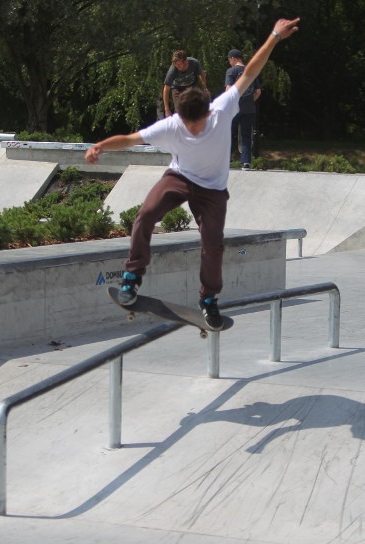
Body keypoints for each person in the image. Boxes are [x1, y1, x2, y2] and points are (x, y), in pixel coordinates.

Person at [85, 17, 301, 330]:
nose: (194, 130)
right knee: (145, 214)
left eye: (198, 125)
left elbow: (252, 69)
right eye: (189, 126)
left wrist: (273, 37)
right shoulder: (171, 126)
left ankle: (208, 300)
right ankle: (132, 279)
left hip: (213, 190)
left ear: (206, 113)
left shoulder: (223, 108)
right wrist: (100, 146)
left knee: (213, 244)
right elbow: (131, 139)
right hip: (179, 178)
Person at [225, 49, 261, 170]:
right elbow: (258, 91)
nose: (229, 62)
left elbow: (229, 89)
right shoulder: (251, 70)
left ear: (233, 58)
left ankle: (227, 160)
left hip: (234, 108)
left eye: (229, 60)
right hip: (249, 109)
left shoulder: (231, 71)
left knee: (228, 133)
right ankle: (246, 163)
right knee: (246, 135)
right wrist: (250, 101)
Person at [162, 50, 209, 118]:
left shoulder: (194, 63)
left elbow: (202, 74)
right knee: (180, 111)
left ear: (185, 61)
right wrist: (167, 109)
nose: (177, 66)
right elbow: (166, 89)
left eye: (179, 64)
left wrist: (204, 88)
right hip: (178, 89)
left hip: (192, 86)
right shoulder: (173, 70)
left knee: (196, 107)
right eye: (176, 65)